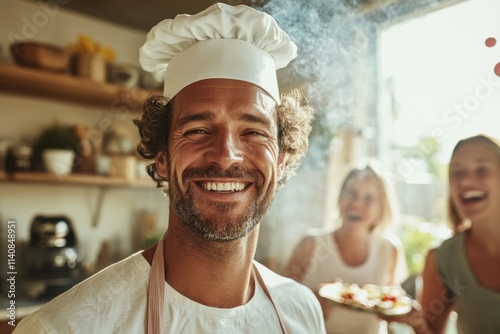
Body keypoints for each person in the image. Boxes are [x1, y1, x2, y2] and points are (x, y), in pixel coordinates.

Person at [14, 3, 326, 334]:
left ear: (281, 158)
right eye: (197, 130)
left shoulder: (303, 311)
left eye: (253, 132)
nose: (226, 156)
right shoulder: (67, 327)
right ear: (162, 156)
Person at [383, 134, 500, 334]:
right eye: (458, 173)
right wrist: (417, 323)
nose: (467, 180)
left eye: (482, 170)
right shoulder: (442, 259)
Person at [281, 160, 408, 334]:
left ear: (381, 208)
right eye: (351, 193)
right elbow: (278, 299)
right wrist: (308, 299)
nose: (356, 203)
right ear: (340, 197)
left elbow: (392, 300)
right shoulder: (311, 244)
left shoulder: (389, 249)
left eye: (368, 198)